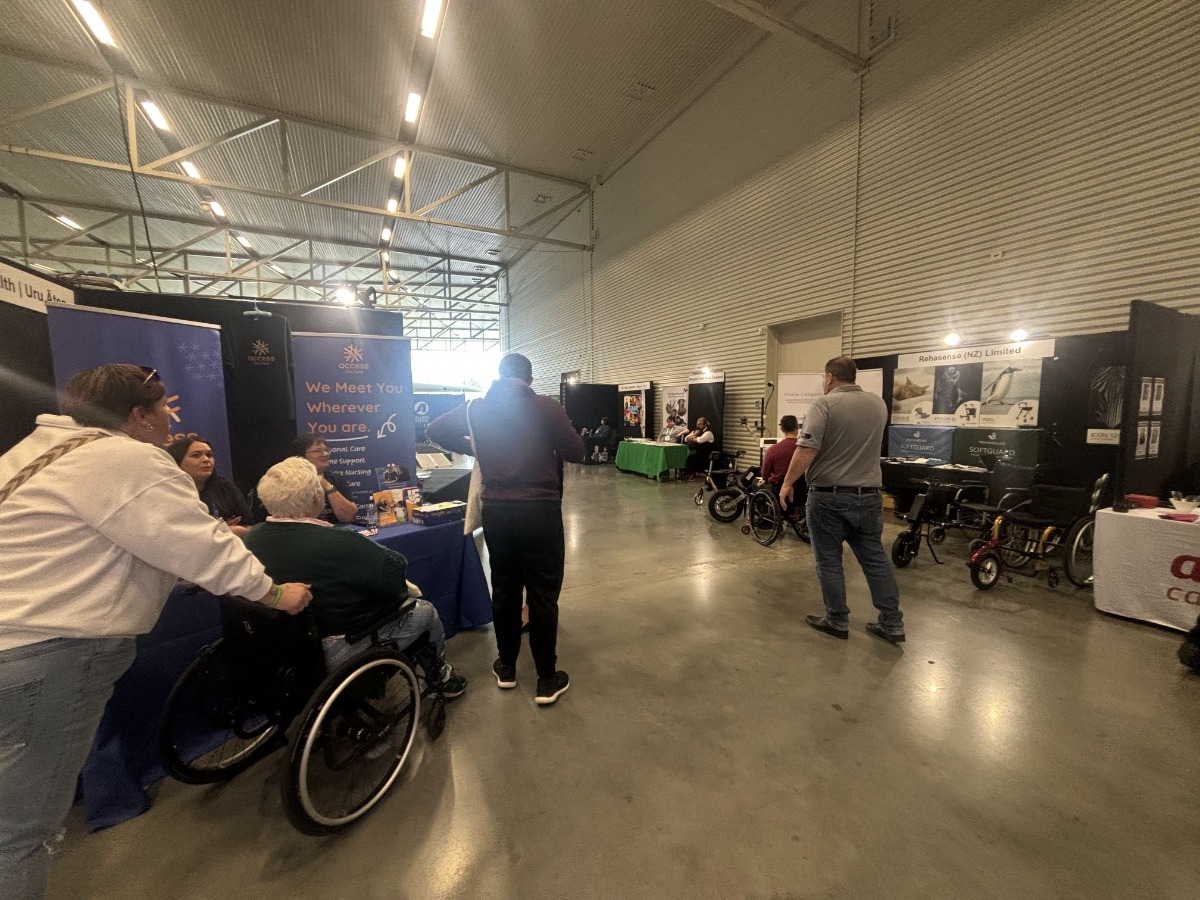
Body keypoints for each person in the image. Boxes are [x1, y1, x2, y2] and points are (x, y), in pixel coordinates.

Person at [0, 364, 312, 899]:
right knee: (19, 834)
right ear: (139, 416)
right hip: (49, 651)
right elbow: (201, 549)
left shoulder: (31, 453)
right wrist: (275, 594)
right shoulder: (127, 458)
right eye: (166, 406)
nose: (174, 417)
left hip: (16, 645)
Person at [427, 352, 585, 705]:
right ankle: (546, 678)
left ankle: (508, 668)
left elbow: (434, 429)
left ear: (499, 376)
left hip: (497, 511)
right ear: (529, 379)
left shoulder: (478, 409)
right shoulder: (546, 407)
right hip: (540, 511)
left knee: (505, 589)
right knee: (543, 594)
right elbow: (577, 451)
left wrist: (475, 445)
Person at [243, 458, 467, 693]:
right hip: (336, 649)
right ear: (316, 498)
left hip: (280, 650)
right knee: (424, 610)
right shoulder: (340, 542)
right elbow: (393, 576)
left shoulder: (252, 538)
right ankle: (442, 677)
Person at [780, 356, 905, 644]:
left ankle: (837, 620)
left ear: (828, 378)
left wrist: (787, 482)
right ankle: (892, 623)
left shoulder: (823, 405)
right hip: (870, 496)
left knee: (829, 561)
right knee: (875, 560)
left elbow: (806, 448)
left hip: (828, 498)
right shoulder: (878, 405)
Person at [168, 435, 254, 537]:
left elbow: (249, 528)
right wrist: (222, 529)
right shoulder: (168, 492)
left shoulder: (225, 487)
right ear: (178, 462)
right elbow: (179, 534)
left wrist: (218, 530)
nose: (206, 460)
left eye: (209, 455)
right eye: (196, 455)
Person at [292, 433, 357, 524]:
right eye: (318, 451)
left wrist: (326, 485)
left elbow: (348, 516)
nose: (325, 454)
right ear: (301, 457)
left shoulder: (336, 479)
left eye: (326, 450)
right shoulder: (289, 482)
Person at [760, 416, 800, 486]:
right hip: (801, 488)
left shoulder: (773, 449)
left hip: (777, 488)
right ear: (797, 427)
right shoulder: (805, 449)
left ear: (782, 429)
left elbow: (764, 475)